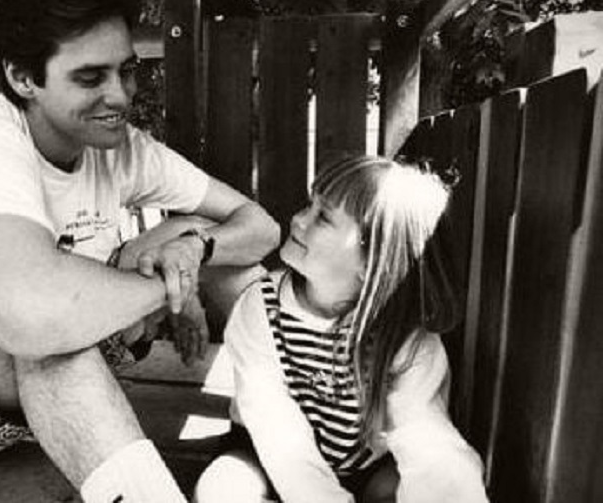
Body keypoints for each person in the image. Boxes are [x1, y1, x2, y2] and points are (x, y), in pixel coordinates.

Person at [0, 0, 279, 502]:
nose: (121, 95)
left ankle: (271, 433)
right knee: (44, 316)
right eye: (90, 77)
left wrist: (195, 252)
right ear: (22, 77)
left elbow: (260, 227)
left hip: (59, 349)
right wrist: (174, 286)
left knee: (194, 232)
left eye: (127, 70)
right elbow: (30, 316)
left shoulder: (122, 148)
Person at [194, 156, 489, 503]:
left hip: (366, 465)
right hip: (264, 452)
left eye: (323, 217)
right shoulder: (262, 306)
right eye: (310, 205)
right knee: (221, 489)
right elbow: (274, 424)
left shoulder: (405, 337)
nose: (298, 219)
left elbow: (423, 436)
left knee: (432, 475)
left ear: (372, 261)